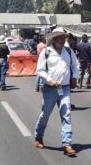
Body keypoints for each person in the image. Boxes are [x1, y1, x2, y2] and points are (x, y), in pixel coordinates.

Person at [34, 27, 79, 157]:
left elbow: (75, 66)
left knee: (66, 114)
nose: (62, 39)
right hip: (50, 89)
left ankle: (67, 144)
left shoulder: (69, 52)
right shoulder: (46, 52)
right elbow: (40, 70)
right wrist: (49, 79)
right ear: (54, 39)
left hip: (64, 88)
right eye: (59, 37)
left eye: (63, 37)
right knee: (45, 114)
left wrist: (74, 77)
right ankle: (39, 136)